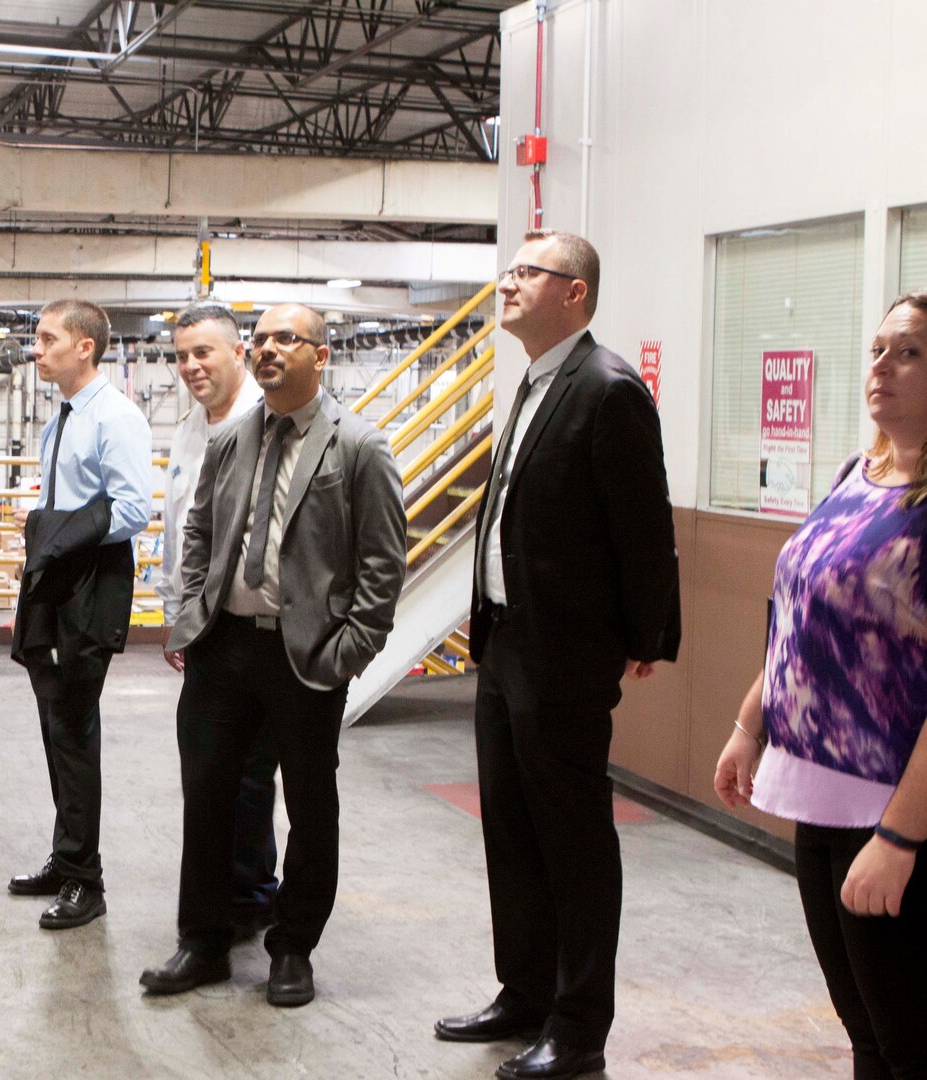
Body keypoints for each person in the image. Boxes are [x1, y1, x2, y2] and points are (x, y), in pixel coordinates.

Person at [434, 229, 681, 1080]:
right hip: (505, 640)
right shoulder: (535, 382)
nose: (506, 283)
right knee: (509, 826)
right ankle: (524, 992)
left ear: (573, 293)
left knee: (572, 841)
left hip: (564, 651)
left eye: (525, 273)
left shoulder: (608, 388)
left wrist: (643, 637)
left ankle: (579, 1031)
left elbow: (643, 527)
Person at [139, 302, 406, 1008]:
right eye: (259, 339)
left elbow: (382, 562)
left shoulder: (358, 446)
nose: (267, 349)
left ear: (322, 354)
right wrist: (191, 613)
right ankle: (202, 941)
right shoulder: (232, 440)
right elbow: (199, 528)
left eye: (286, 338)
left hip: (305, 655)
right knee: (208, 798)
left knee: (310, 807)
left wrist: (352, 648)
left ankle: (292, 948)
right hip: (222, 646)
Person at [715, 292, 927, 1080]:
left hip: (893, 807)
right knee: (866, 1033)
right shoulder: (855, 475)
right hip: (818, 797)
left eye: (908, 351)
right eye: (877, 349)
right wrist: (751, 725)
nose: (882, 366)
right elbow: (799, 623)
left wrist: (902, 839)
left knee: (907, 1039)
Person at [7, 298, 152, 929]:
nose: (35, 349)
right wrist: (44, 526)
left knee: (73, 731)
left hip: (88, 587)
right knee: (56, 728)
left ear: (84, 346)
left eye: (46, 339)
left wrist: (47, 527)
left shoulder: (115, 417)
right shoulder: (60, 418)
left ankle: (84, 880)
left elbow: (130, 510)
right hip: (56, 582)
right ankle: (68, 859)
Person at [153, 301, 278, 937]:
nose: (191, 366)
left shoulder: (272, 424)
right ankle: (225, 899)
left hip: (258, 629)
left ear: (239, 353)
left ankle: (253, 896)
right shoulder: (188, 429)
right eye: (180, 357)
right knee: (207, 775)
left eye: (203, 352)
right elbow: (177, 533)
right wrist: (174, 615)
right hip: (202, 629)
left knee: (253, 775)